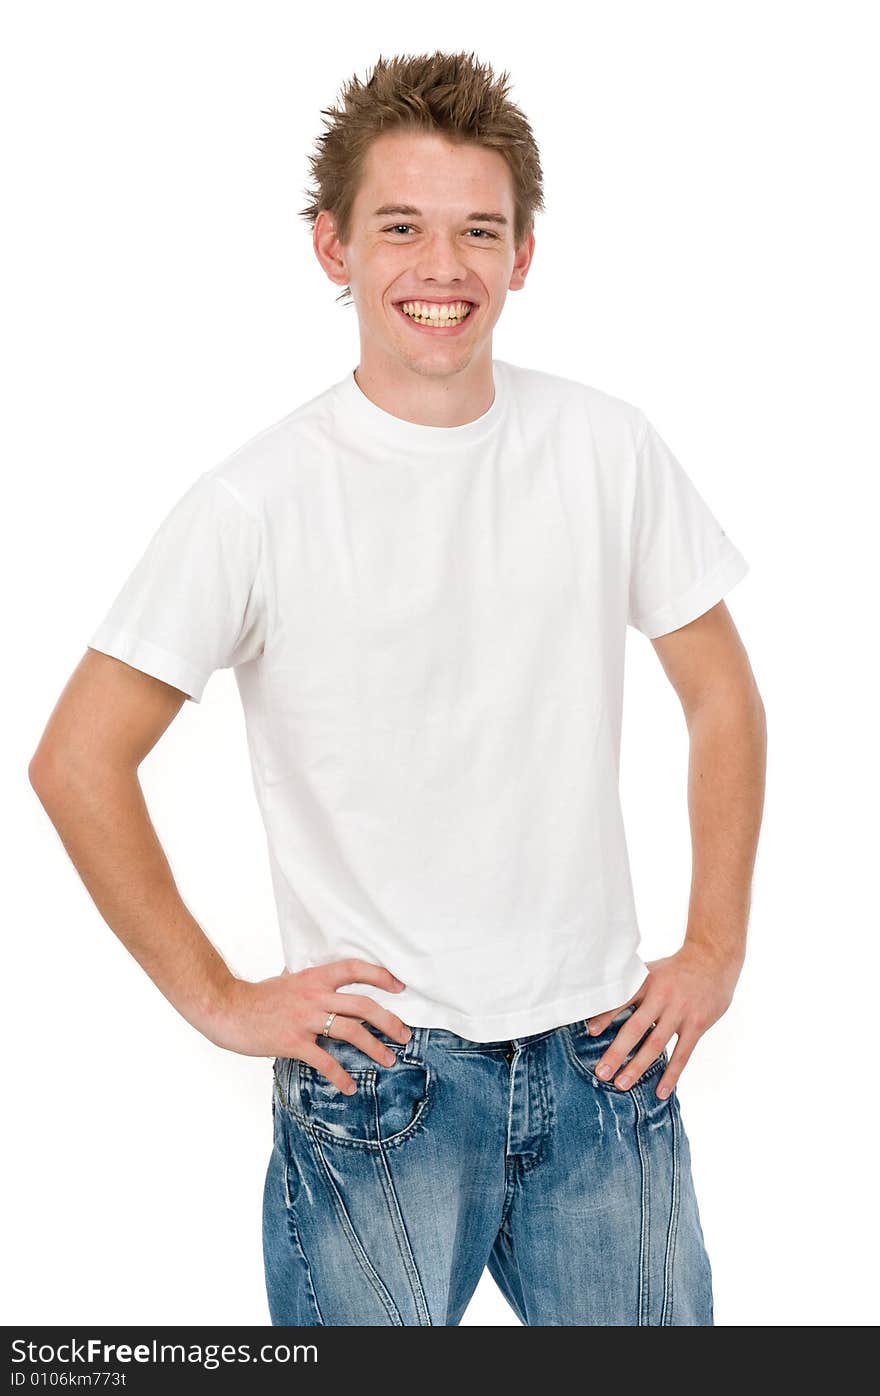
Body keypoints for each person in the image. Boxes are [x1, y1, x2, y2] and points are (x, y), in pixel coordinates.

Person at [28, 50, 766, 1326]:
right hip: (381, 1076)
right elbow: (77, 759)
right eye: (402, 228)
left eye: (479, 231)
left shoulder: (605, 446)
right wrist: (216, 996)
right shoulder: (254, 500)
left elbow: (723, 697)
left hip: (602, 1057)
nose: (443, 269)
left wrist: (712, 947)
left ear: (522, 253)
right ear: (333, 247)